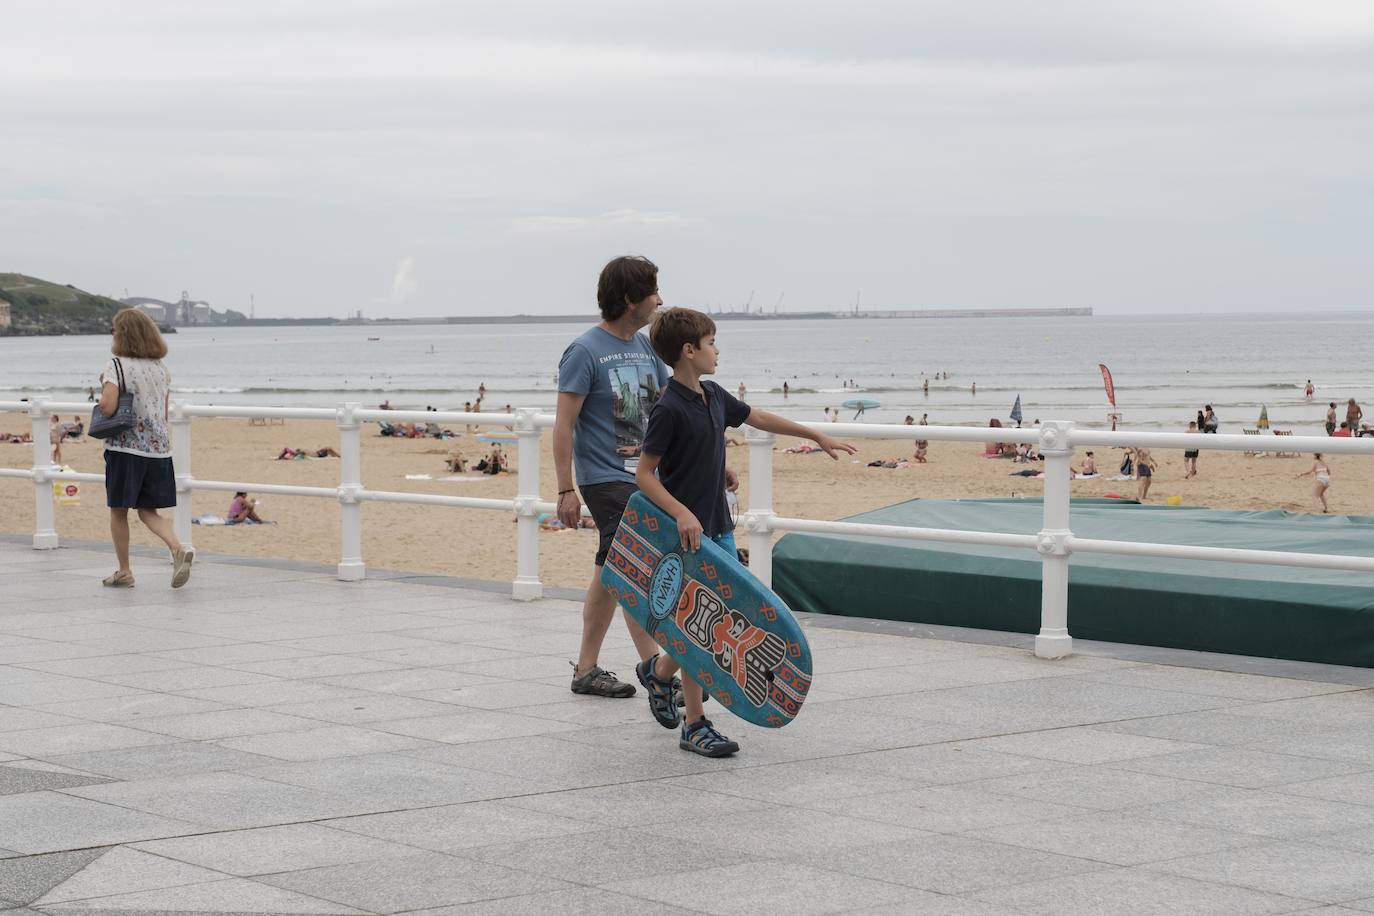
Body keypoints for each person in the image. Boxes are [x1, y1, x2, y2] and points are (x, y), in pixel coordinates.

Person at [633, 307, 855, 756]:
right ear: (689, 351)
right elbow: (644, 474)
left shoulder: (712, 395)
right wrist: (680, 512)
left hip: (720, 529)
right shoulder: (668, 408)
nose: (718, 351)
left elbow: (758, 418)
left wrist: (814, 435)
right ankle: (694, 725)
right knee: (701, 633)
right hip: (689, 538)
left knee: (709, 624)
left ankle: (658, 672)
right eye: (712, 343)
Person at [554, 255, 672, 700]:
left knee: (610, 570)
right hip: (604, 478)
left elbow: (664, 412)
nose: (659, 301)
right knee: (633, 567)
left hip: (643, 476)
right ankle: (656, 669)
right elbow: (564, 423)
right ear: (629, 299)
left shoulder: (646, 348)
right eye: (653, 292)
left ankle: (586, 670)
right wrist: (566, 489)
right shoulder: (584, 351)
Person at [96, 308, 192, 589]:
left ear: (123, 334)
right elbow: (162, 412)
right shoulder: (161, 369)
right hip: (159, 449)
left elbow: (108, 406)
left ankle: (124, 571)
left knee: (118, 510)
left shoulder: (116, 365)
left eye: (114, 329)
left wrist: (103, 387)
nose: (112, 334)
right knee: (148, 511)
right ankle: (177, 548)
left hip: (125, 449)